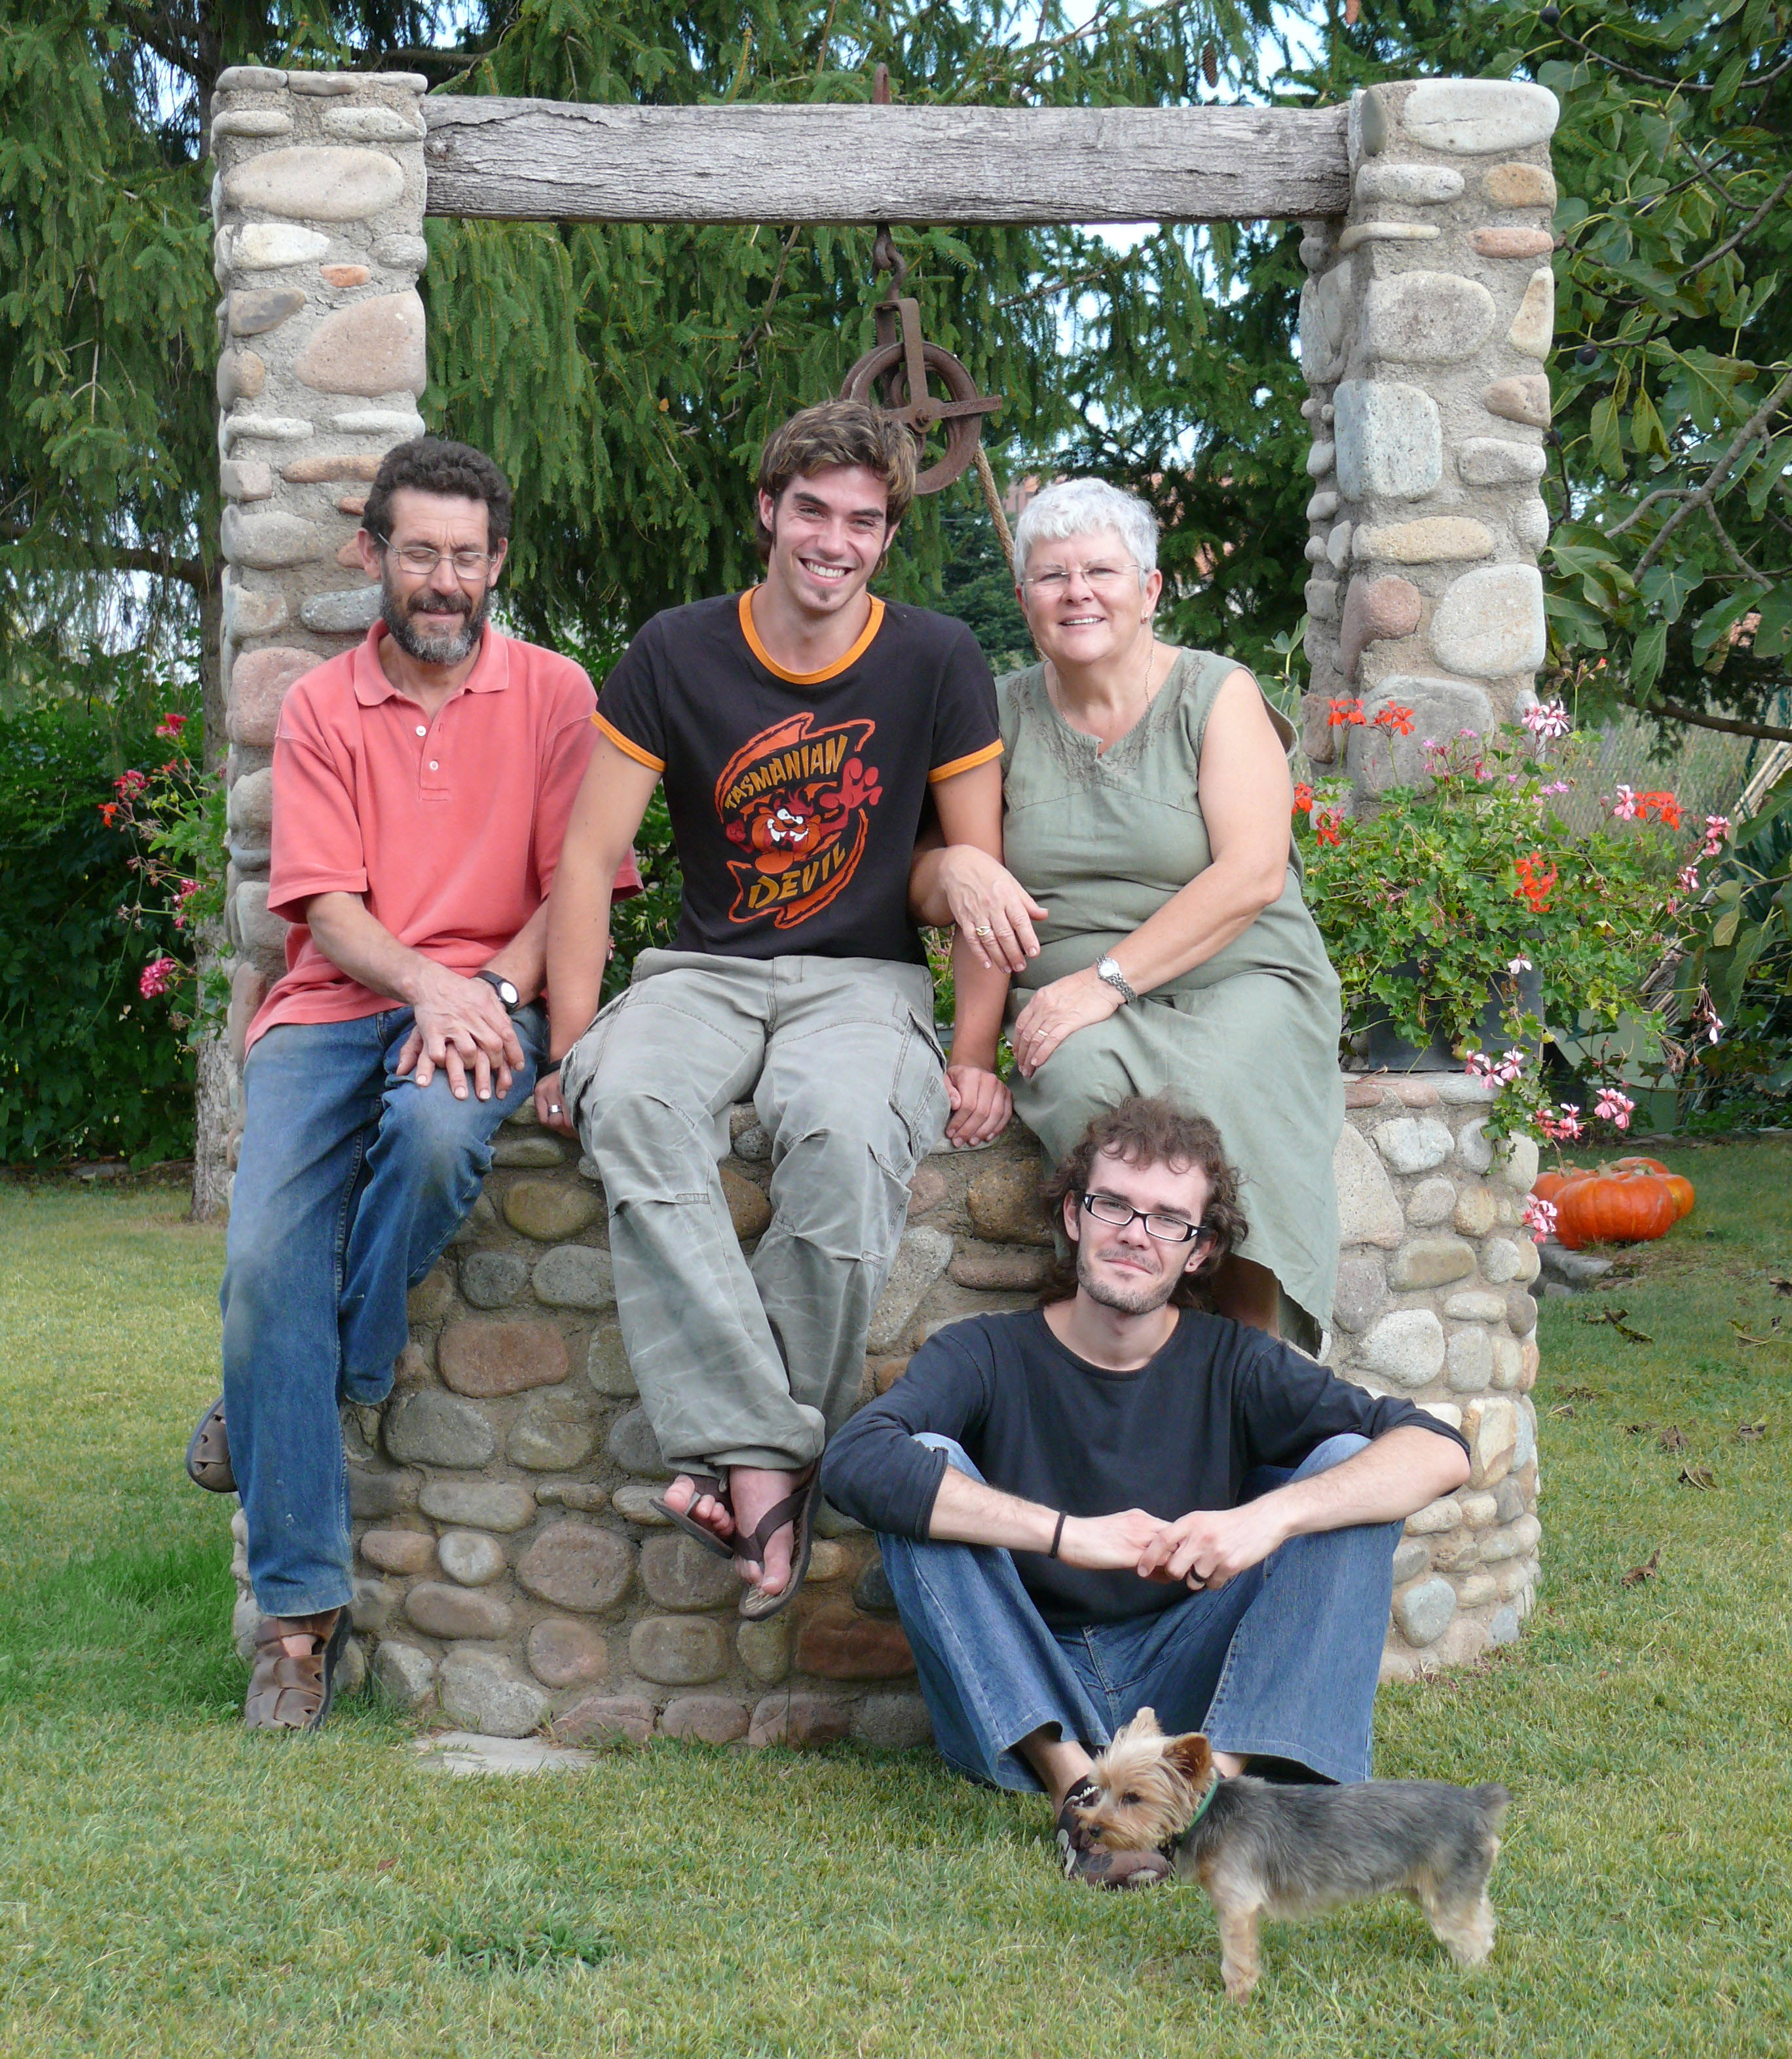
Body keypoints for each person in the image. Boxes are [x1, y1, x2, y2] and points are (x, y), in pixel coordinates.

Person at [185, 436, 639, 1732]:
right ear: (371, 553)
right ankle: (298, 1628)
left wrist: (482, 993)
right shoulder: (323, 707)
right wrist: (428, 988)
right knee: (263, 1263)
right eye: (422, 552)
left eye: (468, 555)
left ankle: (288, 1384)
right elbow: (326, 908)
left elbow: (575, 889)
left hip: (497, 997)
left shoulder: (556, 694)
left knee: (438, 1136)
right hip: (336, 1009)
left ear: (497, 564)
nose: (446, 579)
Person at [540, 399, 1012, 1621]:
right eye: (812, 509)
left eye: (862, 520)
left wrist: (970, 1051)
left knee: (847, 1139)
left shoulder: (937, 659)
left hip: (863, 980)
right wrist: (569, 1042)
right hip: (702, 971)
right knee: (629, 1100)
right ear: (768, 509)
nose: (833, 541)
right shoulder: (675, 650)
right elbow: (589, 855)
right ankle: (774, 1463)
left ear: (888, 536)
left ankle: (743, 1466)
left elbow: (977, 871)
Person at [819, 1096, 1470, 1888]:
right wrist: (1068, 1534)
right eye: (1114, 1205)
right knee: (921, 1462)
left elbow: (1439, 1450)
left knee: (1350, 1465)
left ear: (1199, 1251)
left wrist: (1265, 1520)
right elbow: (855, 1462)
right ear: (1074, 1215)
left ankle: (1205, 1794)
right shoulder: (983, 1352)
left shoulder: (1235, 1362)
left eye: (1169, 1219)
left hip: (1189, 1692)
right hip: (1021, 1688)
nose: (1136, 1233)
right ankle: (1075, 1793)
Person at [911, 478, 1343, 1347]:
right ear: (1024, 599)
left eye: (1101, 572)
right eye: (1051, 576)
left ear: (1149, 591)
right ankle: (1140, 1345)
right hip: (1070, 1001)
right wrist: (957, 879)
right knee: (1080, 1087)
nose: (1077, 593)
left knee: (1218, 1093)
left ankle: (1254, 1352)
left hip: (1239, 975)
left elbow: (1253, 874)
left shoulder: (1215, 695)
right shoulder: (993, 714)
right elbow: (951, 900)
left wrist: (1104, 983)